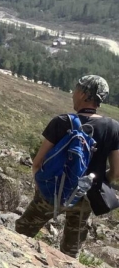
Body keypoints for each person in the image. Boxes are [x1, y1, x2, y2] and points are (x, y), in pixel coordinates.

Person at [16, 75, 119, 258]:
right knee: (71, 252)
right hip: (85, 197)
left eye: (76, 89)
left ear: (83, 94)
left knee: (21, 233)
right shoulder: (112, 127)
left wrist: (42, 187)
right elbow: (116, 172)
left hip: (53, 191)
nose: (73, 93)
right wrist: (100, 184)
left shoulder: (62, 121)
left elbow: (37, 163)